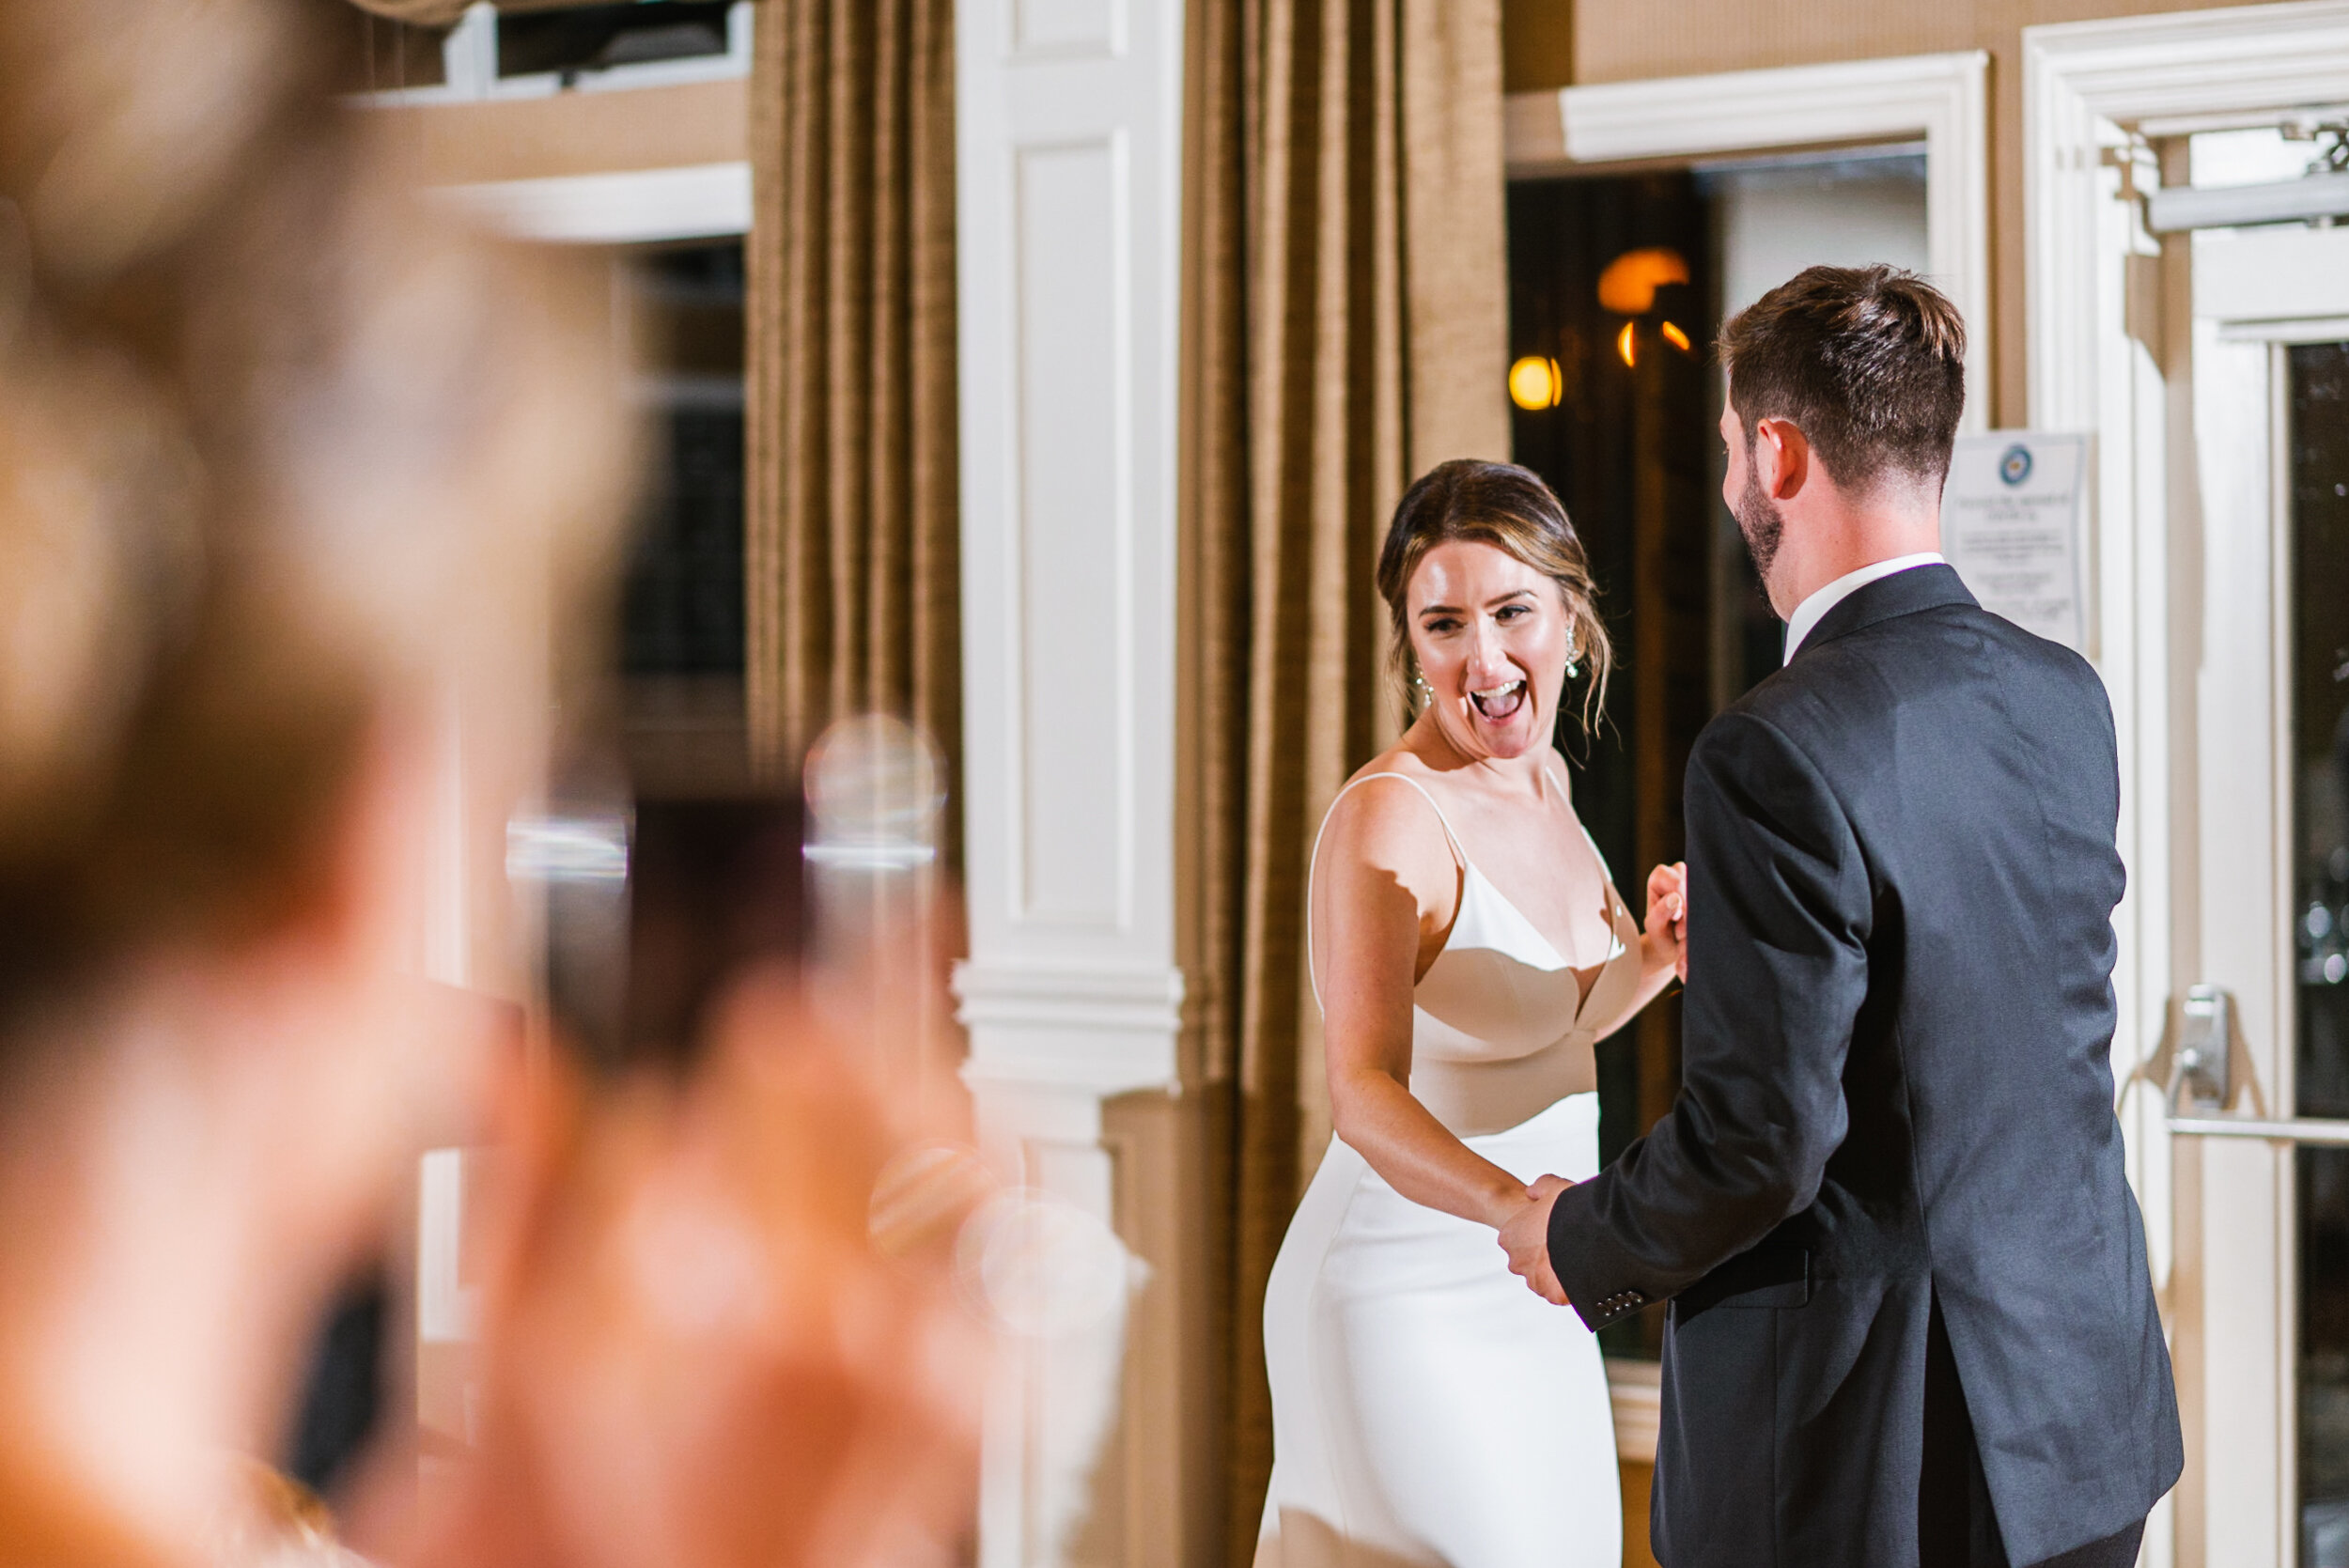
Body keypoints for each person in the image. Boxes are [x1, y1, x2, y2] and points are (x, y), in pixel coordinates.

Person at [1501, 266, 2182, 1568]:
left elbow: (1766, 1142)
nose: (1723, 489)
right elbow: (1970, 1000)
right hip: (2086, 1413)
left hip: (1879, 1451)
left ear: (1777, 451)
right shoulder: (2061, 696)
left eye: (1723, 451)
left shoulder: (1771, 748)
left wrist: (1581, 1241)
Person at [1255, 460, 1688, 1568]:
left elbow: (1553, 1029)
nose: (1484, 661)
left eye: (1511, 612)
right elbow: (1360, 1095)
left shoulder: (1543, 778)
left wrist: (1652, 956)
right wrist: (1524, 1215)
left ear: (1571, 619)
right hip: (1399, 1294)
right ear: (1409, 647)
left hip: (1538, 1290)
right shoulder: (1391, 818)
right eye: (1443, 624)